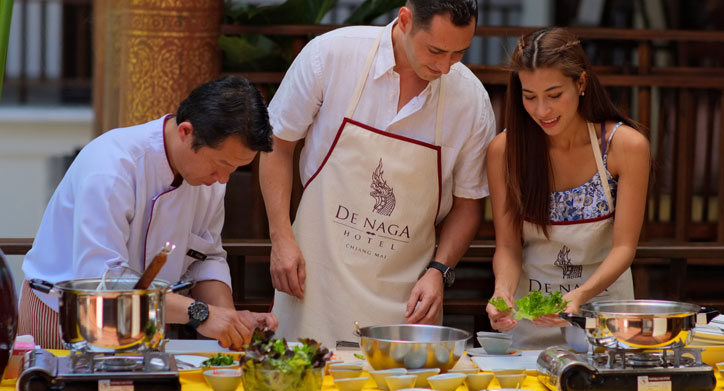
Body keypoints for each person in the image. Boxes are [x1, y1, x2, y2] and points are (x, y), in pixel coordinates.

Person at [260, 0, 496, 347]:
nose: (445, 66)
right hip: (314, 282)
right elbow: (277, 145)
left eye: (459, 53)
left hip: (404, 302)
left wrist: (438, 271)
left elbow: (469, 202)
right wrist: (281, 238)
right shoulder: (332, 55)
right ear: (405, 20)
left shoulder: (471, 101)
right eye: (435, 50)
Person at [20, 76, 278, 350]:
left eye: (235, 168)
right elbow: (101, 280)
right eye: (221, 163)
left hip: (151, 321)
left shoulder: (211, 180)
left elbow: (206, 259)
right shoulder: (111, 165)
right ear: (186, 132)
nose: (224, 179)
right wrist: (203, 315)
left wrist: (229, 321)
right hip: (67, 317)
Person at [485, 27, 651, 349]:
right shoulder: (504, 151)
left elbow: (624, 248)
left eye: (554, 94)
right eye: (529, 97)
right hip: (532, 324)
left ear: (581, 83)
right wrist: (502, 292)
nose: (542, 111)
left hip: (603, 317)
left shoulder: (625, 146)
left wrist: (581, 296)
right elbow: (508, 246)